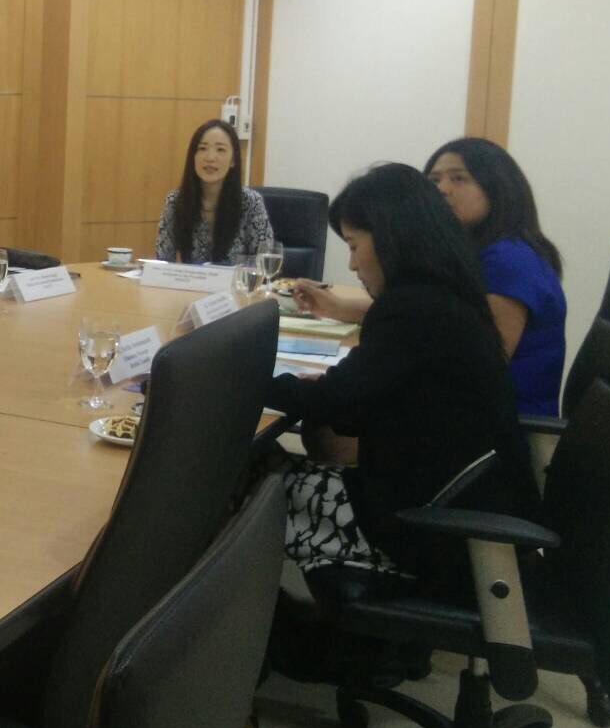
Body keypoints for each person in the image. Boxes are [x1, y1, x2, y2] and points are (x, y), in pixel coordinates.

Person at [267, 164, 536, 584]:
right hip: (457, 501)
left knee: (242, 497)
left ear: (390, 238)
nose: (351, 264)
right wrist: (329, 391)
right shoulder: (444, 294)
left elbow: (336, 405)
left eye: (354, 246)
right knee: (265, 466)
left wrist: (246, 382)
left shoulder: (412, 309)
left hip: (429, 530)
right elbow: (356, 404)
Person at [295, 138, 567, 415]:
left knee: (333, 416)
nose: (442, 189)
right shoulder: (476, 251)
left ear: (499, 188)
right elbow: (431, 318)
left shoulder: (509, 261)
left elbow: (478, 366)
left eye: (458, 178)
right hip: (472, 412)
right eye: (434, 180)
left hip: (509, 420)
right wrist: (340, 308)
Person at [155, 119, 274, 265]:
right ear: (193, 157)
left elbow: (265, 262)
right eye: (202, 148)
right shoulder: (175, 201)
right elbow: (163, 261)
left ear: (233, 160)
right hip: (191, 280)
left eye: (220, 150)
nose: (210, 158)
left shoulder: (251, 202)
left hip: (237, 280)